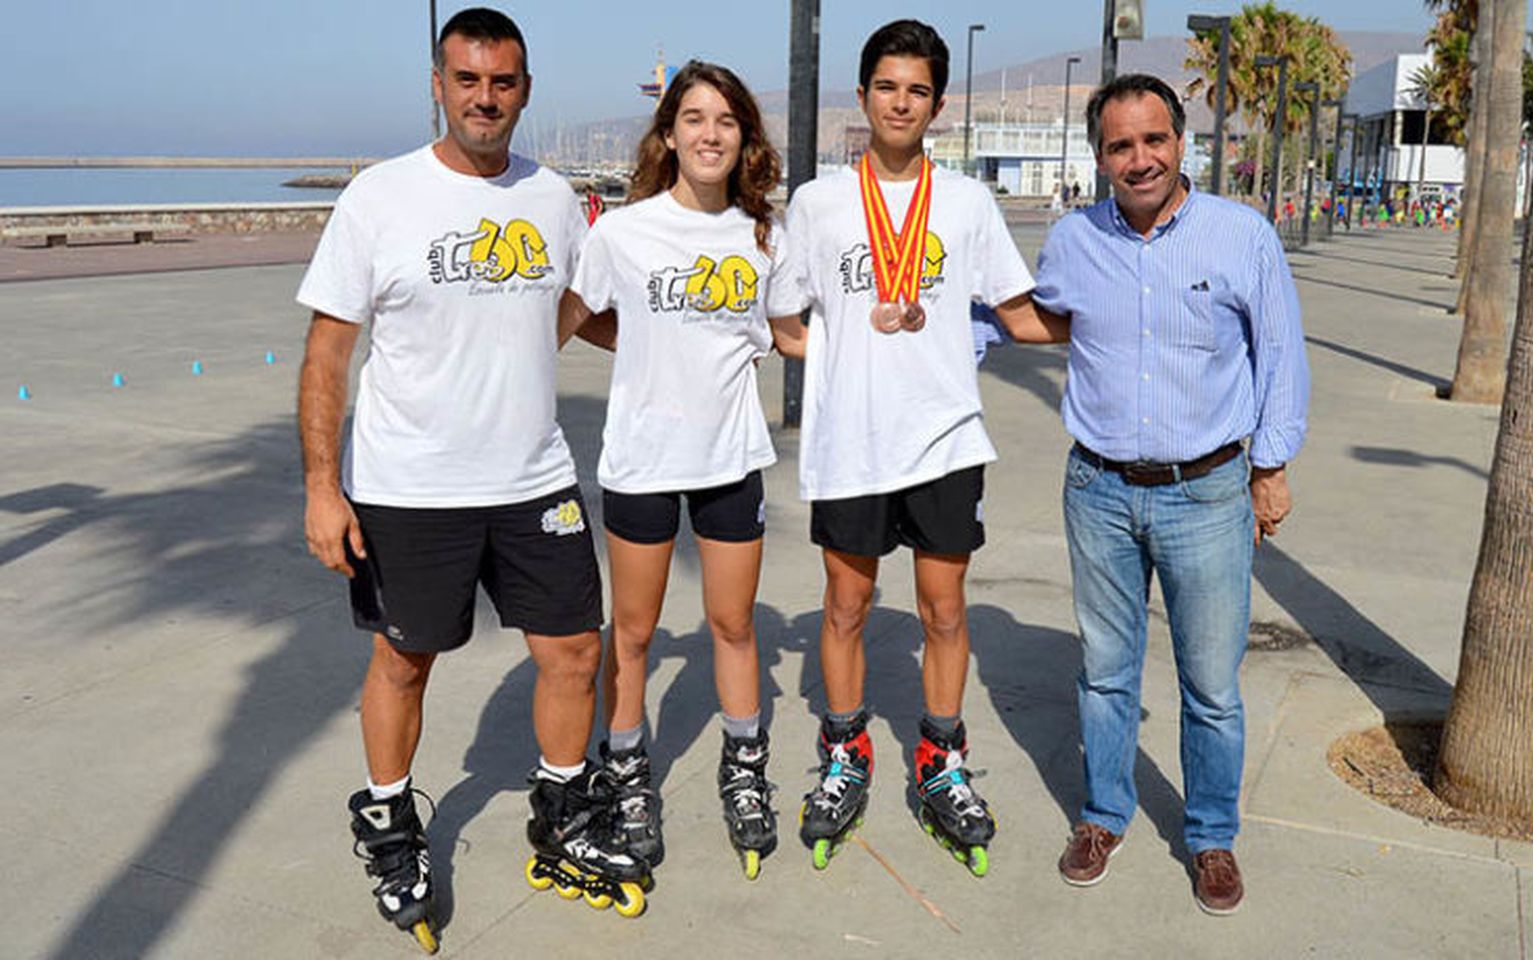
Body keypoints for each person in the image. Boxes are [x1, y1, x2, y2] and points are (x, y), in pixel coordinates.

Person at [296, 9, 648, 948]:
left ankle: (564, 811)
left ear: (525, 90)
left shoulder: (554, 198)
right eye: (467, 80)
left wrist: (691, 320)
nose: (484, 99)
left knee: (575, 651)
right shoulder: (381, 199)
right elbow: (329, 353)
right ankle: (388, 820)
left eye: (502, 83)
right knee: (404, 660)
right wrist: (322, 489)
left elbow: (585, 312)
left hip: (535, 477)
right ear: (439, 86)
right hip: (408, 487)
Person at [783, 18, 1068, 877]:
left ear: (937, 106)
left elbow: (1018, 313)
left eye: (917, 91)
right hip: (852, 445)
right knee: (845, 609)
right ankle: (846, 753)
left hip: (943, 440)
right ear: (863, 93)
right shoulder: (818, 202)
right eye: (886, 86)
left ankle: (941, 758)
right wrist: (838, 351)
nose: (901, 102)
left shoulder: (969, 205)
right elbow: (784, 318)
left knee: (945, 611)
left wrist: (1127, 327)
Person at [1031, 74, 1308, 915]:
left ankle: (1211, 836)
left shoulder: (1241, 235)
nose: (1140, 158)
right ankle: (1103, 816)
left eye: (1154, 139)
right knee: (1106, 673)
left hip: (1208, 493)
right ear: (1101, 156)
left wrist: (1270, 467)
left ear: (1181, 142)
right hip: (1100, 491)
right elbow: (1036, 321)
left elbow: (1280, 356)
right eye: (1121, 145)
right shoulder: (1073, 239)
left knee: (1212, 685)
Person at [561, 60, 807, 881]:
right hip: (641, 462)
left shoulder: (763, 235)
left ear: (744, 139)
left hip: (731, 460)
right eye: (694, 119)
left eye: (726, 121)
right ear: (669, 134)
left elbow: (793, 332)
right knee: (631, 633)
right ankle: (626, 770)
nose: (710, 134)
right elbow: (570, 317)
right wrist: (638, 347)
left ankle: (743, 769)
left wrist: (887, 339)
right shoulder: (623, 233)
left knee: (733, 628)